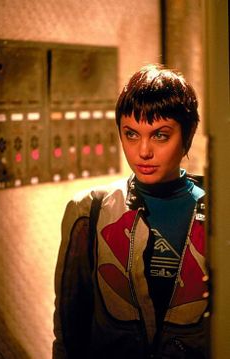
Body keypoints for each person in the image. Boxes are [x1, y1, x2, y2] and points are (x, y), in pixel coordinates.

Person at [52, 64, 210, 359]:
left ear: (187, 135)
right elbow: (69, 324)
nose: (143, 151)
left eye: (160, 135)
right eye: (131, 134)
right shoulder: (91, 210)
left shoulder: (217, 213)